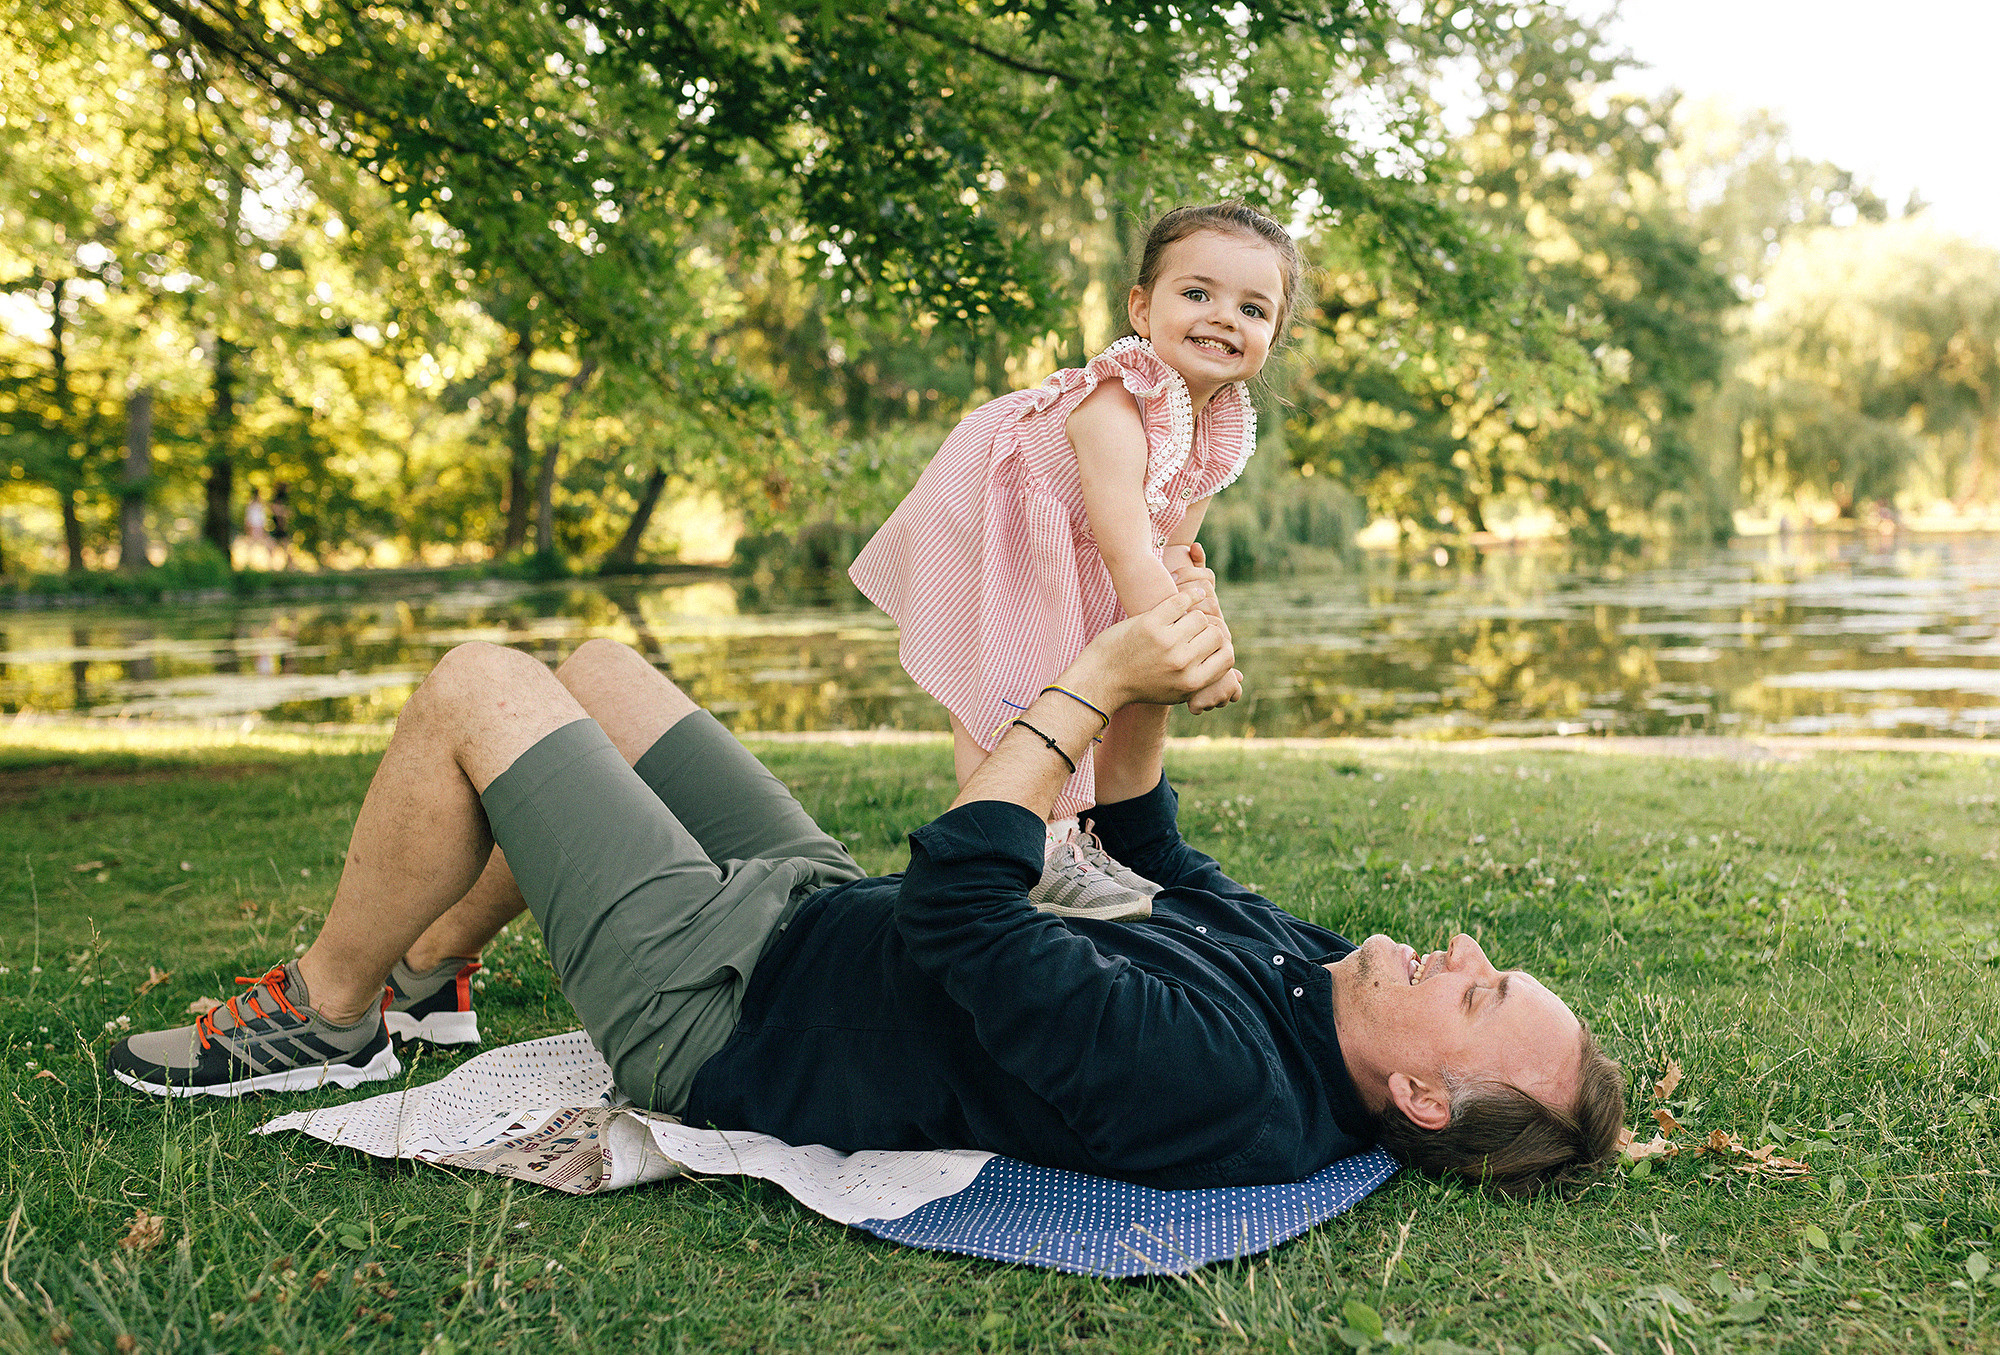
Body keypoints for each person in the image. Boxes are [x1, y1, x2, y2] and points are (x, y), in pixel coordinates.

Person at [107, 574, 1626, 1197]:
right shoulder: (1321, 989)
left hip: (724, 1005)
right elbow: (1150, 845)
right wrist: (1160, 633)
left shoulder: (1224, 1083)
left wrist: (1092, 679)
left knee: (478, 685)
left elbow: (970, 891)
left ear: (1425, 1097)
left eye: (1480, 989)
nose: (1463, 945)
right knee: (597, 670)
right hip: (815, 910)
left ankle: (328, 1007)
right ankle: (433, 963)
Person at [849, 201, 1301, 918]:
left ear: (1273, 334)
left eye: (1252, 307)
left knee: (1088, 665)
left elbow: (1172, 554)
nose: (1223, 316)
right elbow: (1128, 552)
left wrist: (1201, 628)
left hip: (1068, 539)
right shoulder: (1117, 404)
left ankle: (1080, 836)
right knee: (1011, 678)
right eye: (1197, 293)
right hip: (993, 514)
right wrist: (1199, 664)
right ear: (1142, 309)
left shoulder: (1216, 425)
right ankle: (1027, 849)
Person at [243, 488, 270, 568]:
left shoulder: (257, 505)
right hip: (254, 527)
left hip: (258, 527)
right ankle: (249, 562)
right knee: (252, 544)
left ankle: (265, 563)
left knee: (256, 544)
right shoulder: (253, 506)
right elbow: (249, 519)